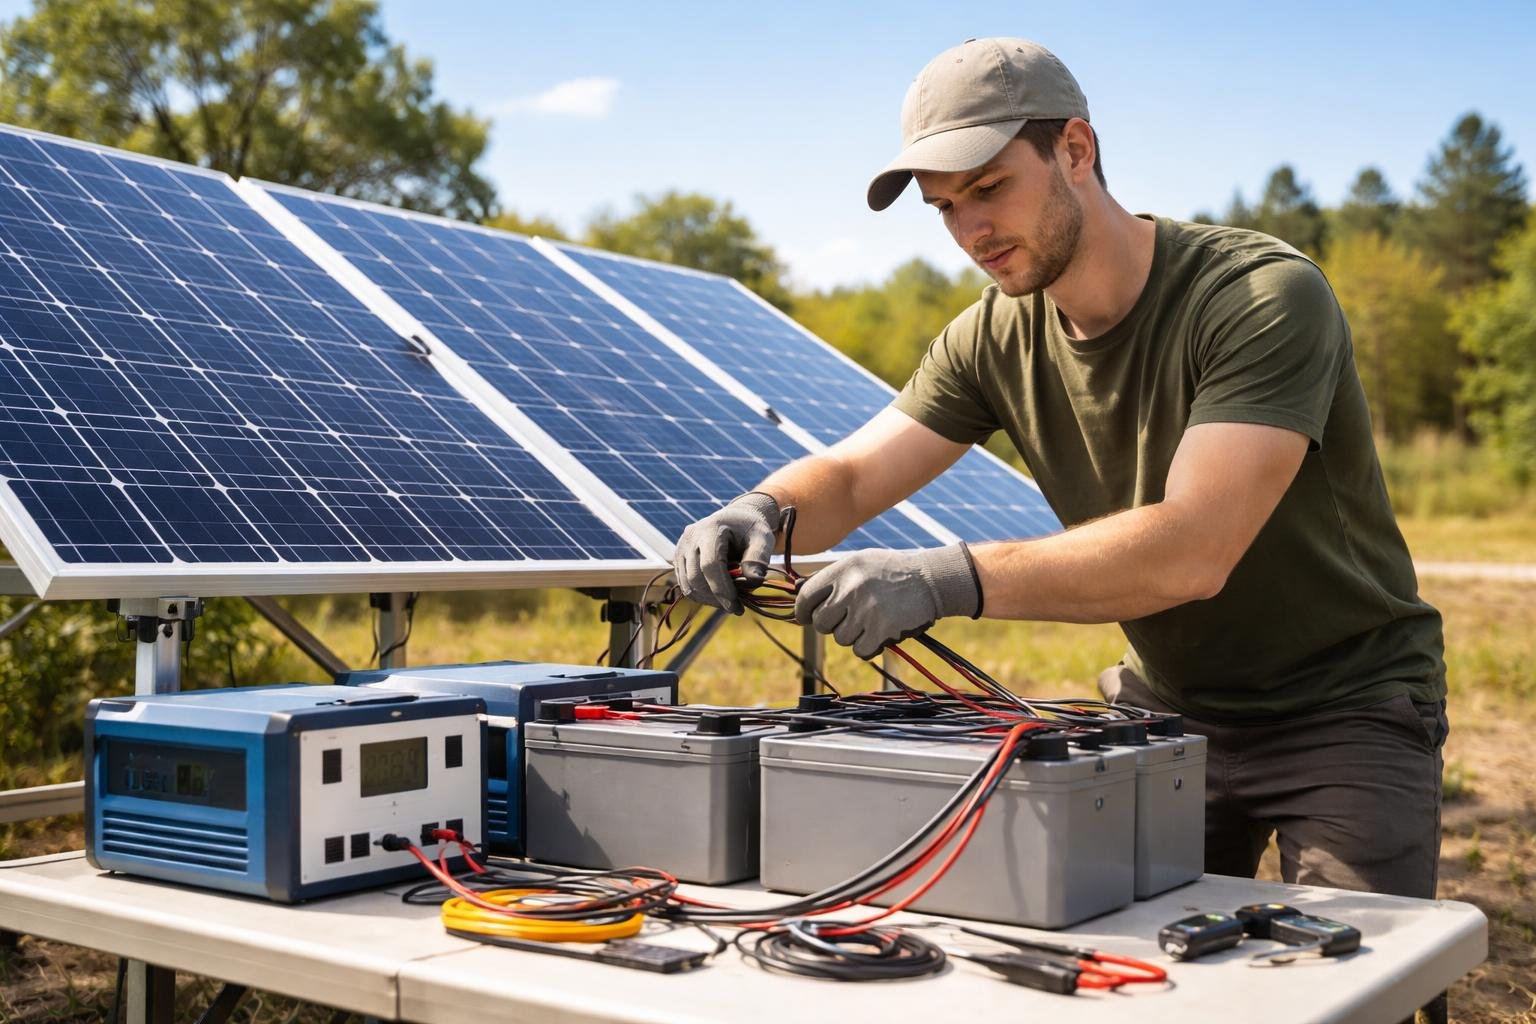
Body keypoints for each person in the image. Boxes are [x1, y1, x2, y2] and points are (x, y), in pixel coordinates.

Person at [671, 37, 1447, 903]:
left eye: (990, 188)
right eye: (945, 208)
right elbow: (853, 476)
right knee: (1122, 947)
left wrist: (945, 577)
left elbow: (1193, 549)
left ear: (1075, 150)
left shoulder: (1258, 297)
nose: (971, 231)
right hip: (1170, 708)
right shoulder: (995, 334)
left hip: (1345, 706)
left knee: (1353, 969)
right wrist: (764, 508)